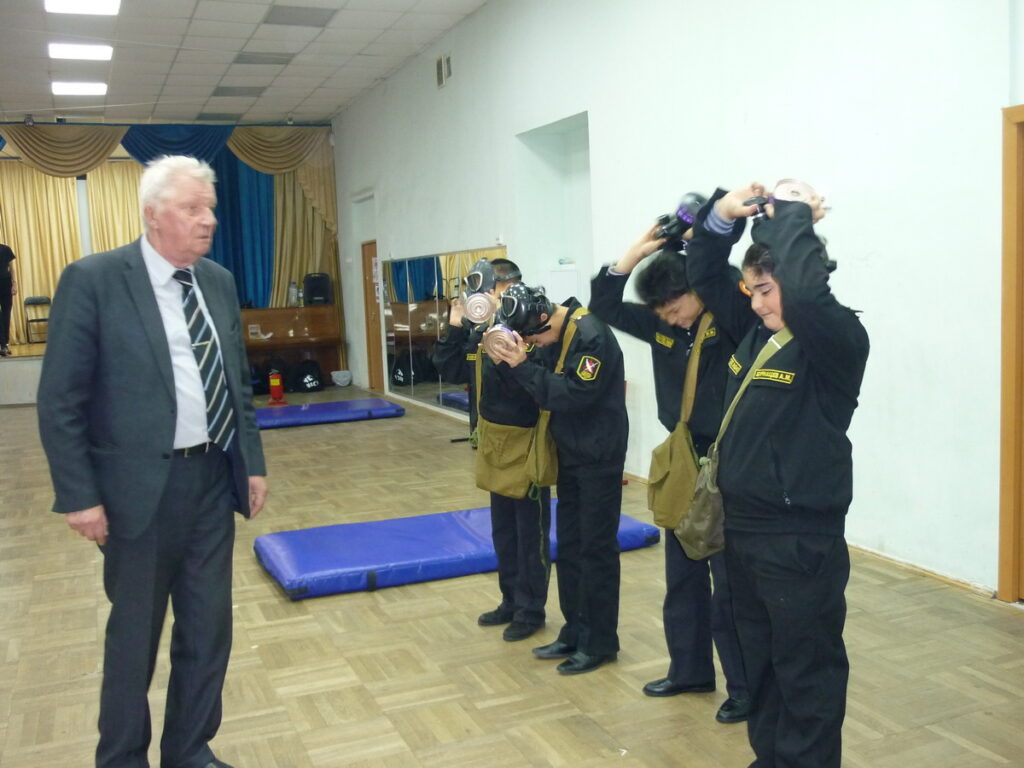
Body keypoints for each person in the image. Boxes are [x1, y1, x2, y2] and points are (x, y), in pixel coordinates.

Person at [36, 155, 268, 768]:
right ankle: (121, 758)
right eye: (192, 208)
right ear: (153, 214)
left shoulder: (218, 281)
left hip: (212, 481)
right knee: (135, 638)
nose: (207, 220)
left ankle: (190, 750)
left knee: (208, 629)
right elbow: (60, 400)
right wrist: (79, 496)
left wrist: (251, 462)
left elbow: (237, 384)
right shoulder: (95, 280)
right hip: (136, 493)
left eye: (209, 208)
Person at [688, 181, 869, 767]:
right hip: (742, 534)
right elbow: (704, 272)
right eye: (751, 291)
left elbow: (808, 295)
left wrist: (793, 214)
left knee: (806, 673)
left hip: (798, 542)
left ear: (797, 277)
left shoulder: (834, 341)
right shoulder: (755, 334)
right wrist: (722, 216)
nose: (757, 304)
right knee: (760, 665)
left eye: (766, 290)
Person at [588, 207, 752, 723]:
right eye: (662, 313)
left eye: (677, 308)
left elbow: (724, 273)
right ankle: (689, 670)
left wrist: (697, 240)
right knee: (682, 576)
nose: (673, 319)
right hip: (682, 459)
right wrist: (638, 253)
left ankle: (745, 688)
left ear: (697, 289)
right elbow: (603, 303)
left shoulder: (731, 317)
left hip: (728, 459)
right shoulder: (662, 324)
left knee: (729, 587)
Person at [488, 284, 627, 675]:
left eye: (535, 340)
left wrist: (522, 365)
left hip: (599, 458)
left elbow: (573, 395)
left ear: (544, 319)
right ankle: (575, 630)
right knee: (569, 547)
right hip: (570, 454)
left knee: (596, 552)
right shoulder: (557, 333)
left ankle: (600, 642)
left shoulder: (591, 335)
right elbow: (541, 380)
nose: (536, 346)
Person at [431, 258, 552, 642]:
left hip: (526, 442)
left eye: (488, 290)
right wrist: (456, 324)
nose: (481, 297)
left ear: (508, 287)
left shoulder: (531, 322)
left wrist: (508, 332)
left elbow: (535, 381)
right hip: (494, 439)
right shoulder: (480, 328)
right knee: (504, 531)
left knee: (529, 534)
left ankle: (531, 610)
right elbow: (450, 369)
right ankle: (510, 600)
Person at [0, 241, 16, 356]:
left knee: (6, 314)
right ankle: (2, 344)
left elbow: (12, 268)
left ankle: (4, 344)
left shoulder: (6, 249)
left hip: (6, 284)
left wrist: (14, 284)